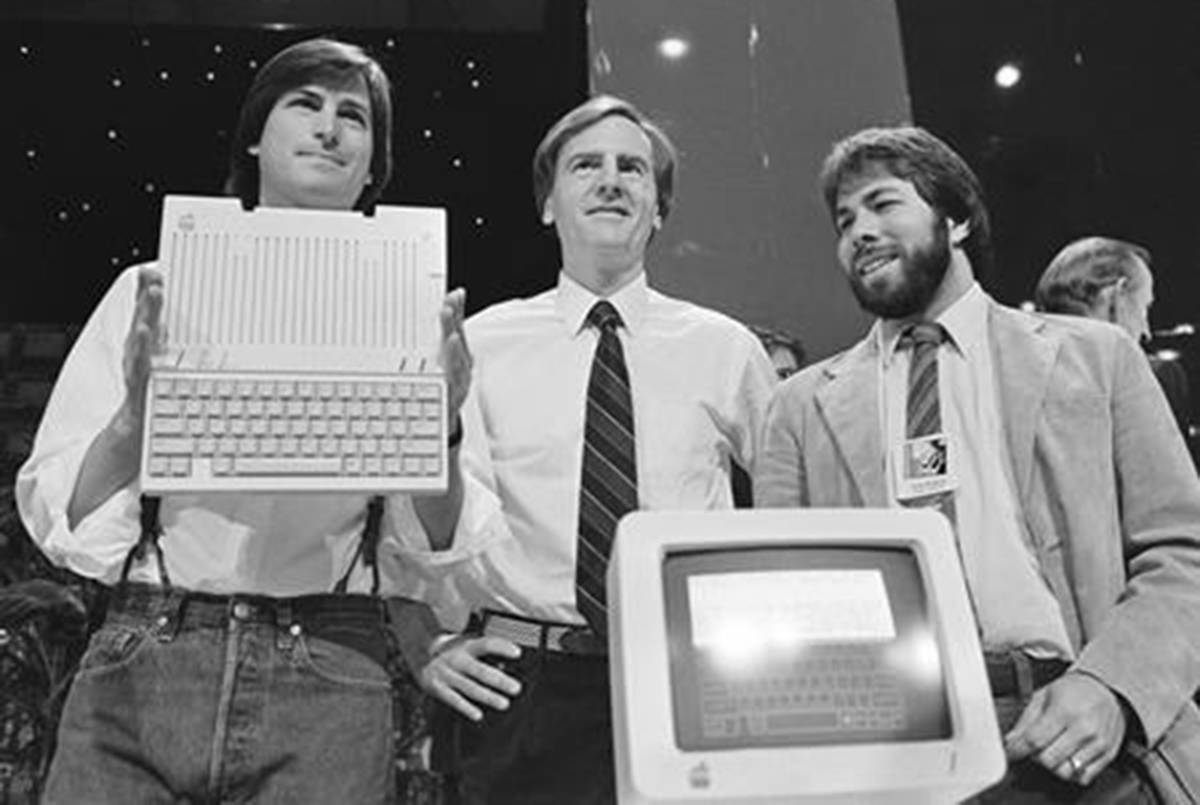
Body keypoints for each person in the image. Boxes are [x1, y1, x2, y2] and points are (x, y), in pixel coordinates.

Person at [17, 38, 481, 804]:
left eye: (353, 117)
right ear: (256, 137)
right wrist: (136, 419)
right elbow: (60, 510)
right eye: (305, 103)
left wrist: (446, 429)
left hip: (329, 668)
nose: (329, 128)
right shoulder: (154, 290)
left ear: (374, 166)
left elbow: (434, 542)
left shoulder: (417, 309)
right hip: (147, 656)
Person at [755, 126, 1200, 802]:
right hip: (893, 750)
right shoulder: (797, 408)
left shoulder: (1097, 357)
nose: (859, 232)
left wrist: (1113, 686)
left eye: (883, 204)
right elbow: (784, 604)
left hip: (1084, 727)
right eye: (845, 220)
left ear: (956, 219)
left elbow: (1183, 550)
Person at [416, 95, 776, 804]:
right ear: (549, 204)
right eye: (586, 165)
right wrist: (431, 641)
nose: (611, 180)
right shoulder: (481, 343)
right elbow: (431, 526)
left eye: (632, 169)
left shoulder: (726, 349)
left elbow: (797, 503)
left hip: (691, 681)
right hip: (523, 687)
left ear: (658, 209)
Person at [1035, 236, 1193, 442]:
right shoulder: (1153, 378)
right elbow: (1171, 473)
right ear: (1118, 297)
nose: (1146, 331)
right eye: (1144, 307)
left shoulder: (1012, 378)